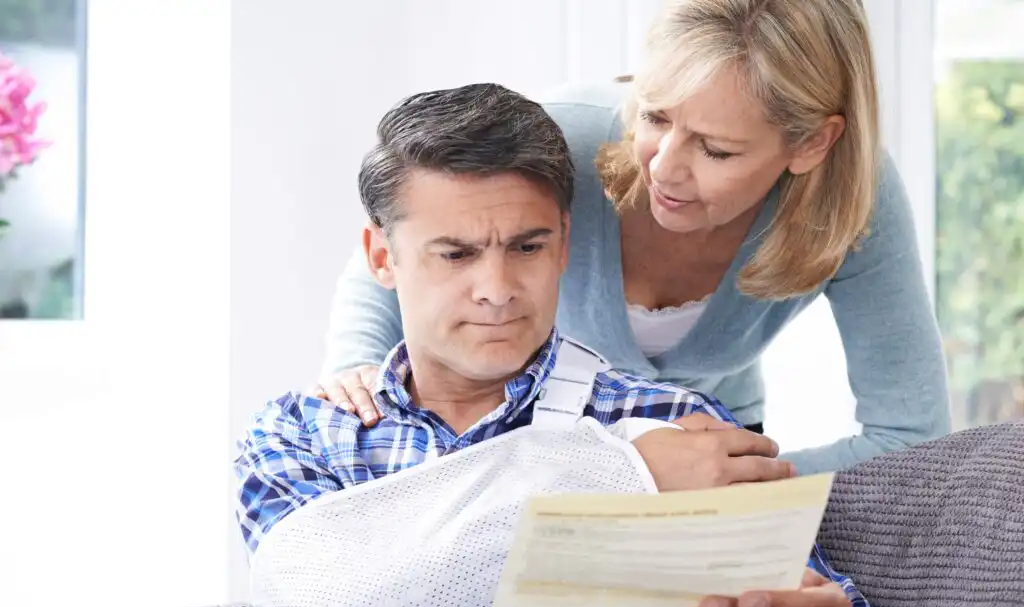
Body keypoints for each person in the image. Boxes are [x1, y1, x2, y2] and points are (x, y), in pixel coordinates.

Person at [235, 82, 918, 607]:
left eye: (527, 247)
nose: (497, 290)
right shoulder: (303, 437)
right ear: (384, 258)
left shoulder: (684, 425)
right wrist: (622, 473)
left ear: (564, 243)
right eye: (457, 254)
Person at [317, 0, 951, 475]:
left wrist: (737, 484)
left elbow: (910, 435)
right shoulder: (565, 138)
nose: (664, 169)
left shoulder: (854, 204)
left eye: (717, 149)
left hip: (708, 446)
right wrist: (357, 370)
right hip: (531, 437)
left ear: (812, 143)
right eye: (654, 116)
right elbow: (403, 239)